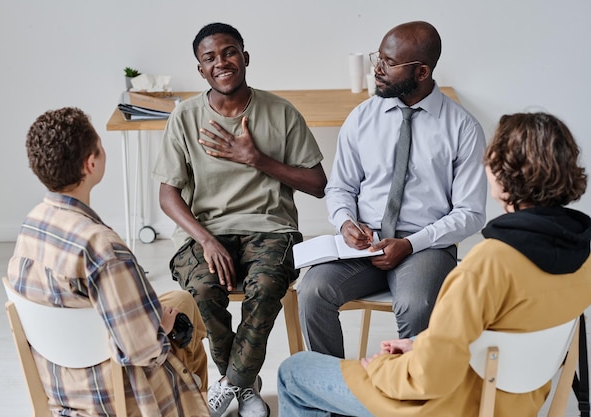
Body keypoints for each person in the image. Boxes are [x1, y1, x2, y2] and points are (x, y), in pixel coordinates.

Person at [278, 111, 591, 416]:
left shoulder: (490, 263)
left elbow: (429, 379)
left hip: (451, 403)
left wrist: (381, 368)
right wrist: (421, 344)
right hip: (514, 403)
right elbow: (507, 326)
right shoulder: (582, 253)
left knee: (294, 371)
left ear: (505, 174)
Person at [152, 22, 327, 417]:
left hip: (271, 229)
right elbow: (168, 195)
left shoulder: (281, 112)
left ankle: (232, 384)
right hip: (206, 232)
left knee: (265, 285)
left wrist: (257, 160)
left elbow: (318, 184)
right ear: (200, 70)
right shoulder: (184, 118)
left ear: (245, 57)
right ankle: (246, 385)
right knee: (202, 290)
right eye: (209, 58)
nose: (221, 63)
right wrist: (207, 240)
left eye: (229, 52)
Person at [297, 20, 487, 358]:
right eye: (377, 58)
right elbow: (340, 186)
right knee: (312, 291)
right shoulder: (361, 117)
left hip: (426, 244)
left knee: (416, 305)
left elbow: (470, 213)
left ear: (422, 72)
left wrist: (411, 243)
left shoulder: (463, 128)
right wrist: (346, 223)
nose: (377, 69)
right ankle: (330, 394)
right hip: (364, 244)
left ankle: (409, 400)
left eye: (388, 62)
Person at [7, 107, 210, 417]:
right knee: (183, 318)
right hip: (115, 391)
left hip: (61, 381)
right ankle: (196, 403)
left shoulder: (31, 225)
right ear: (91, 163)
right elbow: (145, 350)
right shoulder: (102, 248)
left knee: (181, 298)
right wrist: (163, 326)